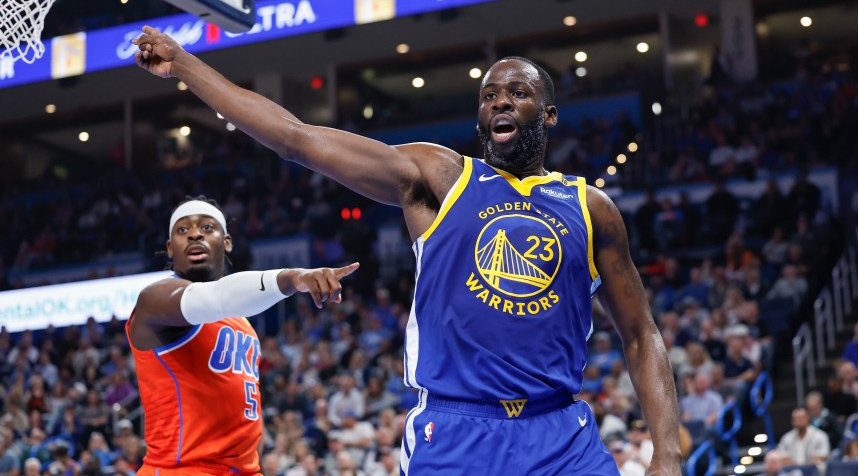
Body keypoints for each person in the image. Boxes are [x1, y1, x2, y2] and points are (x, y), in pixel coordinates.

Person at [133, 29, 681, 475]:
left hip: (561, 435)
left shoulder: (590, 207)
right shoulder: (440, 177)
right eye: (489, 95)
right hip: (457, 434)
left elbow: (640, 333)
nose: (500, 102)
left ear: (549, 113)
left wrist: (667, 454)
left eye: (517, 92)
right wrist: (183, 64)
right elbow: (295, 138)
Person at [127, 196, 358, 475]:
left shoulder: (243, 323)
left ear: (227, 242)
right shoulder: (156, 300)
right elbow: (215, 297)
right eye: (183, 230)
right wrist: (293, 278)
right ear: (169, 249)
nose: (195, 234)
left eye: (207, 227)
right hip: (182, 468)